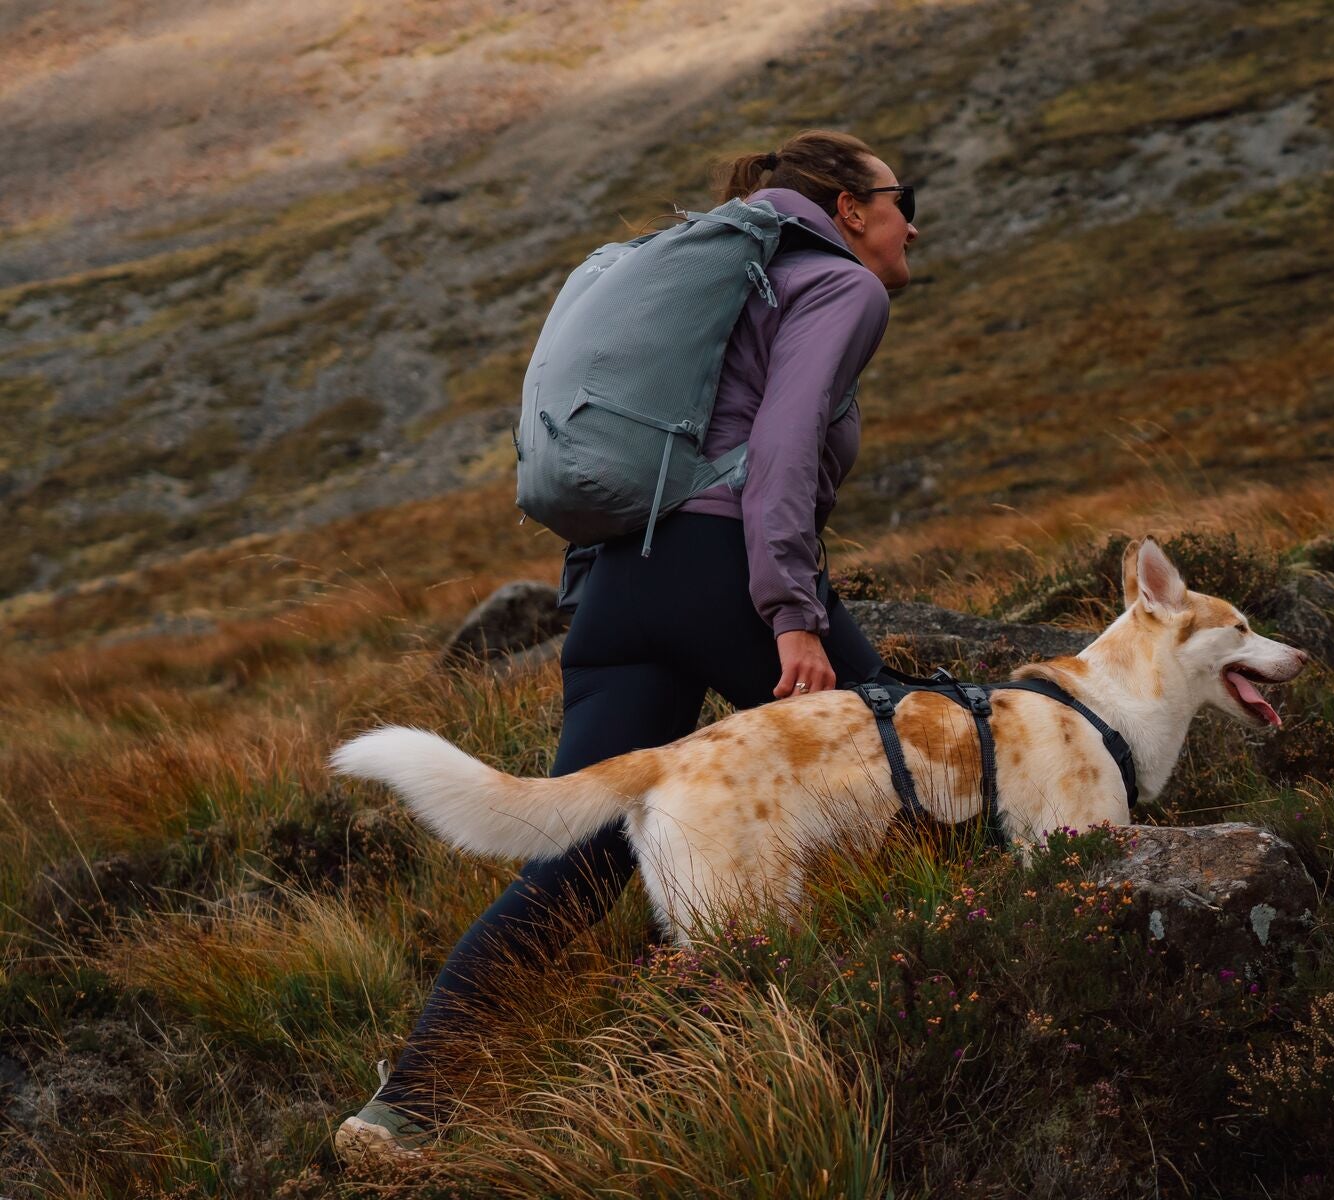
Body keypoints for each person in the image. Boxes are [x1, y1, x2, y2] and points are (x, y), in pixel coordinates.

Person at [336, 128, 919, 1159]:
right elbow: (780, 447)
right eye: (898, 197)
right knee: (912, 759)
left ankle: (408, 1105)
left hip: (623, 588)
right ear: (847, 208)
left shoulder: (735, 283)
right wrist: (791, 611)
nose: (911, 220)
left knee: (581, 852)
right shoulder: (839, 288)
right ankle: (924, 1042)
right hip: (724, 571)